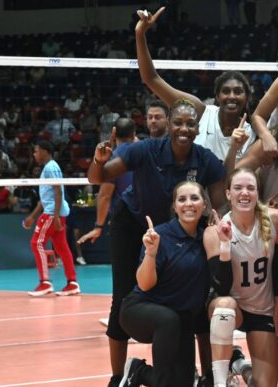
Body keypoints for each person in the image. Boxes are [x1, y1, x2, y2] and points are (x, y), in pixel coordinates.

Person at [87, 100, 227, 386]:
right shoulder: (146, 150)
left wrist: (215, 224)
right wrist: (99, 161)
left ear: (198, 129)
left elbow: (220, 200)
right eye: (178, 123)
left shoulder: (204, 158)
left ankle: (209, 376)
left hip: (178, 228)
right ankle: (119, 376)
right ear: (168, 125)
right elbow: (99, 177)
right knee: (123, 295)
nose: (184, 128)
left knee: (197, 298)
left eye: (190, 124)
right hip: (135, 223)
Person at [117, 182, 211, 387]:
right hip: (140, 311)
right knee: (168, 319)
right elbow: (144, 284)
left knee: (183, 383)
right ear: (175, 206)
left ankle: (139, 371)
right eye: (182, 199)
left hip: (181, 320)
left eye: (195, 198)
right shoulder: (161, 235)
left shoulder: (207, 238)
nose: (188, 204)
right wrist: (151, 253)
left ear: (204, 205)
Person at [205, 168, 278, 387]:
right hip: (231, 306)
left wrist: (277, 309)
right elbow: (221, 288)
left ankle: (241, 367)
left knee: (265, 384)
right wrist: (225, 245)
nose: (244, 193)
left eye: (250, 188)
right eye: (238, 188)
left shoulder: (273, 220)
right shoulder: (214, 231)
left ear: (257, 193)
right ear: (228, 194)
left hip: (262, 309)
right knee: (224, 307)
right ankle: (219, 382)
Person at [135, 8, 255, 161]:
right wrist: (140, 35)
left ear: (246, 97)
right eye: (226, 91)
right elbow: (151, 79)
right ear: (217, 96)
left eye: (238, 91)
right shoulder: (200, 111)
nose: (231, 96)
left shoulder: (250, 133)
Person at [24, 141, 79, 297]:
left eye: (36, 151)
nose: (34, 155)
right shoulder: (47, 168)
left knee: (36, 243)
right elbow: (45, 198)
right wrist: (32, 217)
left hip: (52, 214)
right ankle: (72, 282)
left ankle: (45, 282)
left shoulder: (51, 167)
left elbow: (58, 192)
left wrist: (55, 216)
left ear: (44, 151)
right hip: (54, 213)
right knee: (62, 247)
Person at [77, 118, 136, 245]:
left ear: (113, 134)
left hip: (123, 223)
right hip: (146, 220)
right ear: (134, 134)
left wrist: (98, 226)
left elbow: (104, 196)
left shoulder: (113, 159)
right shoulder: (144, 154)